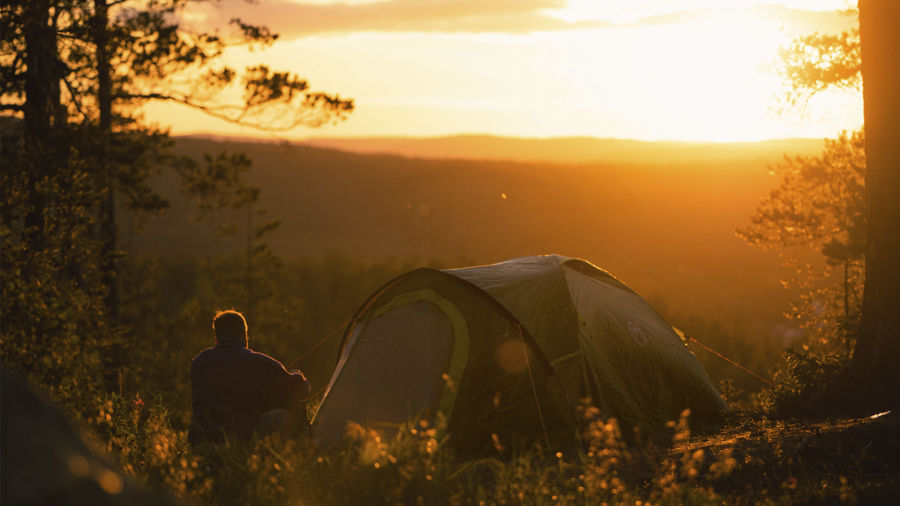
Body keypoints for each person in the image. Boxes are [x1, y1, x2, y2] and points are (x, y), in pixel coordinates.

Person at [189, 310, 310, 445]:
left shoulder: (198, 362)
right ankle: (295, 456)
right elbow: (300, 392)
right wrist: (299, 377)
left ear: (216, 337)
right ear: (244, 335)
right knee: (282, 416)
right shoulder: (258, 362)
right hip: (242, 438)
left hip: (204, 440)